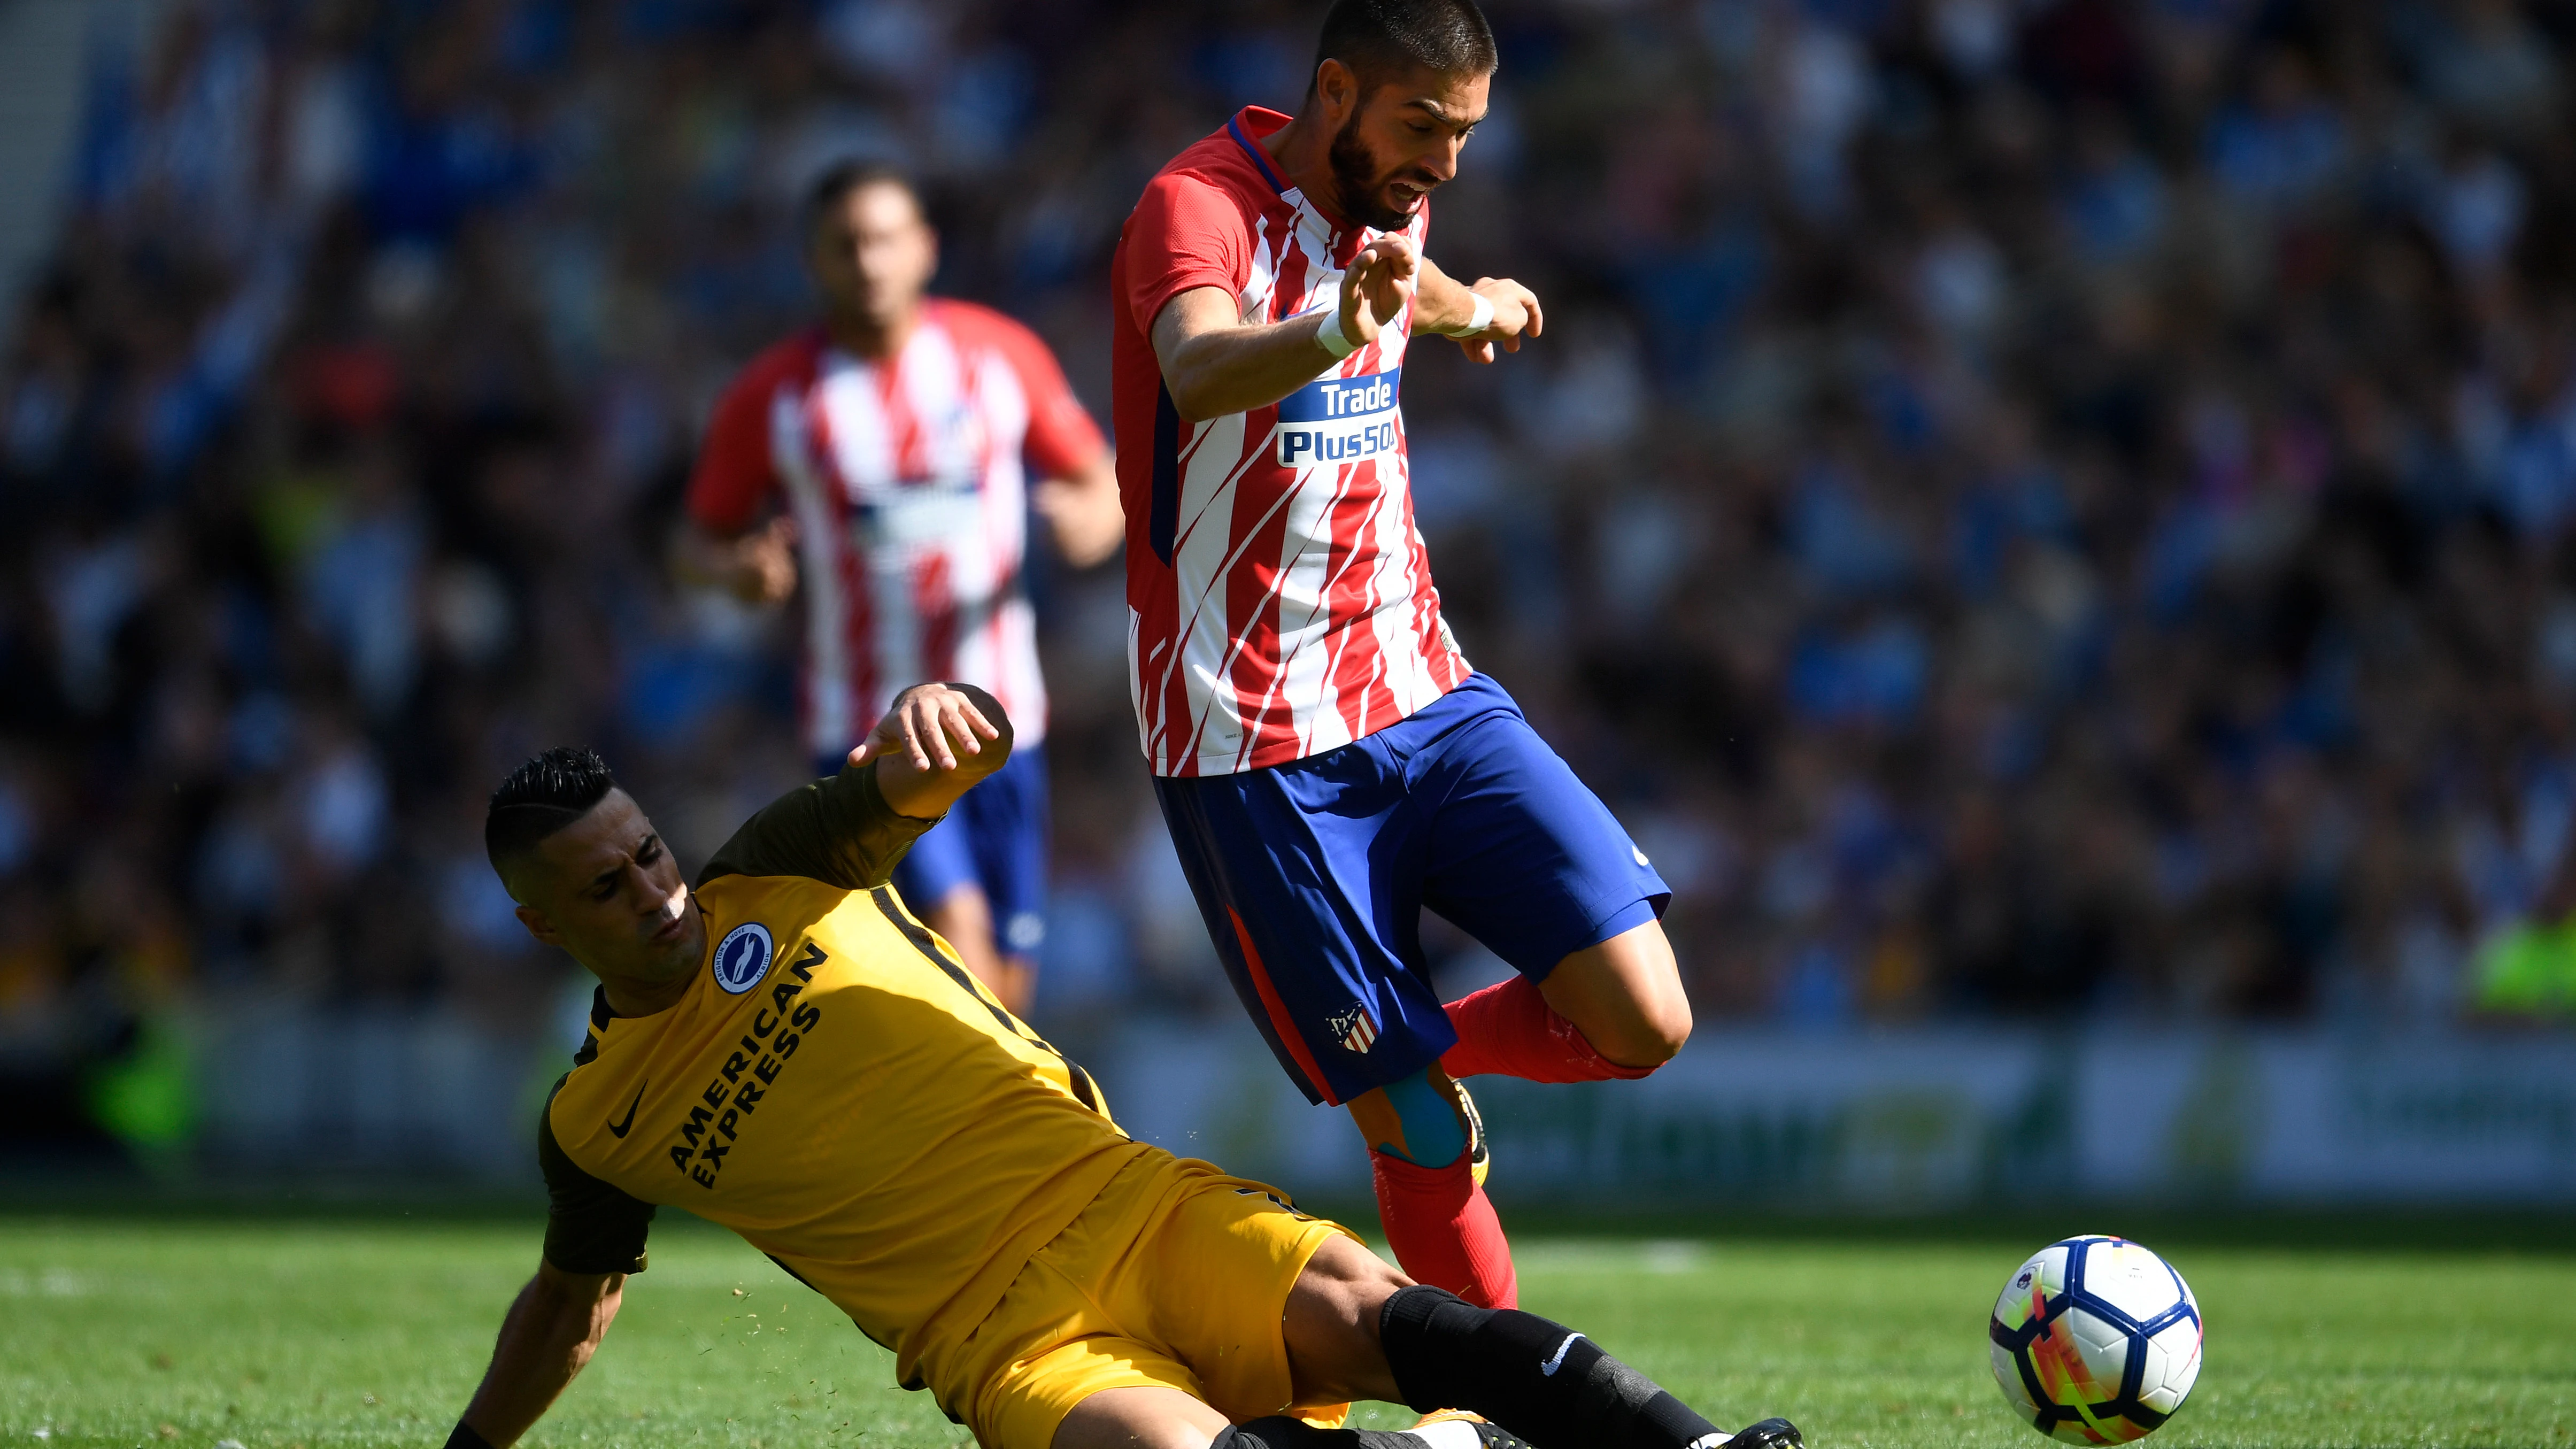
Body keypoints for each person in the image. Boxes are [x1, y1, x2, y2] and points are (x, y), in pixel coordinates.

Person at [441, 683, 1803, 1449]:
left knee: (1395, 1321)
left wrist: (945, 716)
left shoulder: (774, 867)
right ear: (541, 923)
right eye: (609, 886)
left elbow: (939, 757)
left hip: (1134, 1204)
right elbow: (572, 1305)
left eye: (651, 853)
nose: (656, 891)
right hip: (1007, 1340)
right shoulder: (593, 1123)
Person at [1108, 0, 1691, 1309]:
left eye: (1466, 133)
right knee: (1420, 1138)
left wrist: (1465, 304)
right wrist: (1333, 330)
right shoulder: (1190, 206)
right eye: (1423, 123)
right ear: (1333, 94)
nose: (1444, 159)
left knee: (1645, 1018)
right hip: (1249, 738)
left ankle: (1423, 1051)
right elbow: (1197, 372)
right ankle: (1513, 1396)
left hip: (1422, 683)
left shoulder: (1392, 197)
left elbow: (1394, 277)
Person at [682, 161, 1121, 1016]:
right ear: (814, 261)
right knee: (960, 941)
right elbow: (696, 538)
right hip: (867, 733)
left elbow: (1095, 479)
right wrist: (734, 570)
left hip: (1004, 725)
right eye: (846, 246)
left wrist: (1089, 523)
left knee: (1008, 984)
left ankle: (976, 1141)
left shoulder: (997, 356)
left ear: (924, 248)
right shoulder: (776, 397)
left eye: (884, 240)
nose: (868, 263)